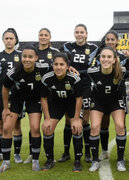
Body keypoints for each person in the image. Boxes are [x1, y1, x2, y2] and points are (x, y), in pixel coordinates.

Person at [0, 45, 49, 173]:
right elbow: (5, 89)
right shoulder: (14, 71)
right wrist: (6, 108)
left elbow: (58, 66)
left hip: (34, 100)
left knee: (34, 127)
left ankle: (35, 161)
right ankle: (6, 162)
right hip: (17, 100)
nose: (27, 59)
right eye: (25, 56)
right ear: (22, 57)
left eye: (30, 57)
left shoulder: (43, 68)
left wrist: (70, 67)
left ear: (36, 58)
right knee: (6, 128)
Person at [59, 24, 98, 163]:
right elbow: (58, 61)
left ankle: (87, 152)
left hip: (85, 85)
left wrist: (79, 72)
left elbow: (94, 68)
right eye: (77, 32)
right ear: (74, 33)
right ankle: (66, 152)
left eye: (82, 32)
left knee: (85, 120)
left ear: (86, 34)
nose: (79, 34)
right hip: (69, 86)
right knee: (69, 119)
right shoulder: (66, 47)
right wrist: (68, 68)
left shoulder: (94, 48)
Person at [40, 52, 83, 171]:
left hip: (72, 104)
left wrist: (76, 119)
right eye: (56, 64)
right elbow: (43, 99)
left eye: (62, 64)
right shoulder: (47, 78)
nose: (58, 67)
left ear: (67, 66)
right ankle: (49, 159)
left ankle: (78, 160)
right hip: (56, 104)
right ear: (52, 65)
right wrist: (47, 118)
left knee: (76, 127)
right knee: (47, 128)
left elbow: (79, 99)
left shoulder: (74, 78)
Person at [92, 30, 129, 161]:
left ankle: (121, 155)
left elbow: (128, 72)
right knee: (103, 123)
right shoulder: (98, 56)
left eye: (112, 39)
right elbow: (91, 73)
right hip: (101, 93)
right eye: (107, 39)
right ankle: (103, 151)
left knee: (121, 125)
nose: (110, 42)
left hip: (118, 94)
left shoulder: (123, 57)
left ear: (117, 41)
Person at [24, 28, 60, 164]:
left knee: (48, 125)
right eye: (41, 35)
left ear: (50, 37)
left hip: (49, 94)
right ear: (38, 36)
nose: (43, 37)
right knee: (34, 125)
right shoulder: (32, 52)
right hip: (33, 95)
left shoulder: (55, 53)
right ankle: (32, 153)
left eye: (46, 35)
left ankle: (49, 155)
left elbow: (61, 67)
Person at [88, 46, 127, 172]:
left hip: (115, 102)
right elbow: (79, 73)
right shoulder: (91, 72)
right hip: (98, 102)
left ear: (115, 60)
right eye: (103, 56)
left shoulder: (123, 71)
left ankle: (120, 160)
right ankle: (95, 160)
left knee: (120, 126)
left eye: (109, 57)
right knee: (94, 127)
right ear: (99, 58)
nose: (106, 59)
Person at [0, 28, 24, 163]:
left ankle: (17, 154)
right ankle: (2, 153)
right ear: (3, 40)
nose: (9, 40)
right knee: (1, 124)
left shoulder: (21, 55)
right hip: (1, 94)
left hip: (16, 95)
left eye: (11, 38)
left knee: (16, 125)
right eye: (6, 38)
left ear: (16, 40)